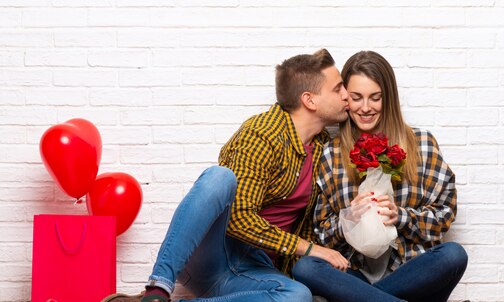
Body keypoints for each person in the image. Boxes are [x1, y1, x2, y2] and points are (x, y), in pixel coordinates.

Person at [103, 48, 350, 302]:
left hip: (254, 271)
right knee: (219, 178)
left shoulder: (322, 146)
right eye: (338, 89)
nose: (347, 95)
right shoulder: (263, 133)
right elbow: (238, 219)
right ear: (310, 100)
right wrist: (309, 249)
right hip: (216, 253)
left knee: (297, 295)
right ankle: (157, 291)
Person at [292, 51, 468, 302]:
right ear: (345, 99)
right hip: (353, 275)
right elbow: (321, 232)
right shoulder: (330, 153)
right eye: (356, 98)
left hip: (409, 271)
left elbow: (444, 216)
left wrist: (401, 216)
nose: (365, 108)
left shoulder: (422, 145)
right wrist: (347, 220)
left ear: (389, 99)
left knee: (453, 255)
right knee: (305, 268)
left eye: (375, 98)